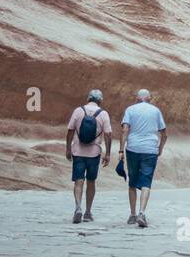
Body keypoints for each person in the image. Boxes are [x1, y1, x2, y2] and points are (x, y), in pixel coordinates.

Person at [119, 88, 166, 229]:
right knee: (146, 182)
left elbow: (125, 130)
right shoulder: (156, 111)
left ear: (137, 98)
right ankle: (141, 212)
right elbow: (164, 133)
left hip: (133, 148)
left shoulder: (130, 110)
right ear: (149, 98)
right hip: (150, 149)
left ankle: (132, 214)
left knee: (132, 181)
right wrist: (160, 148)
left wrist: (121, 149)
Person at [65, 88, 112, 223]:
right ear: (100, 101)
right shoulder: (103, 114)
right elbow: (108, 134)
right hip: (94, 153)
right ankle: (88, 212)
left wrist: (68, 149)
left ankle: (78, 207)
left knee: (78, 181)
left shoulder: (78, 111)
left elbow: (70, 130)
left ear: (88, 99)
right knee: (91, 182)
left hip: (78, 151)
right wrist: (108, 153)